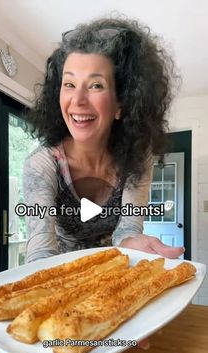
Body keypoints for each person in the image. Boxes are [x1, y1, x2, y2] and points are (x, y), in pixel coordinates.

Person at [24, 16, 184, 264]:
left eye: (96, 85)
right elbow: (41, 251)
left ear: (122, 103)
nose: (77, 100)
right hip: (59, 271)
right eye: (69, 83)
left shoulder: (138, 157)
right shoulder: (42, 164)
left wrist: (135, 243)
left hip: (113, 266)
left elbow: (128, 229)